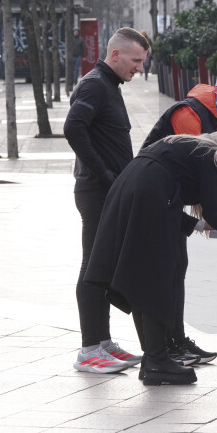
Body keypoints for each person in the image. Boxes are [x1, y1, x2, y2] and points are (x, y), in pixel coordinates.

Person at [85, 131, 217, 385]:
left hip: (128, 187)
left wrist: (200, 225)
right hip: (148, 193)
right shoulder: (215, 156)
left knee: (144, 276)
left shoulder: (183, 147)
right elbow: (216, 212)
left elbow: (169, 207)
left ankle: (153, 358)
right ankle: (157, 360)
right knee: (158, 278)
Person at [139, 70, 217, 366]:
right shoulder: (189, 114)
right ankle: (162, 351)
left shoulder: (216, 116)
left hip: (169, 199)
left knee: (177, 268)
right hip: (153, 198)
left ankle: (176, 341)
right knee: (164, 273)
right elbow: (206, 168)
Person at [63, 27, 151, 374]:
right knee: (93, 266)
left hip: (105, 191)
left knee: (101, 267)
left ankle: (102, 342)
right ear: (115, 55)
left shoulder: (108, 84)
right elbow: (73, 127)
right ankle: (89, 350)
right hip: (96, 192)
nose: (139, 68)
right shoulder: (96, 85)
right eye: (136, 60)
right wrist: (105, 174)